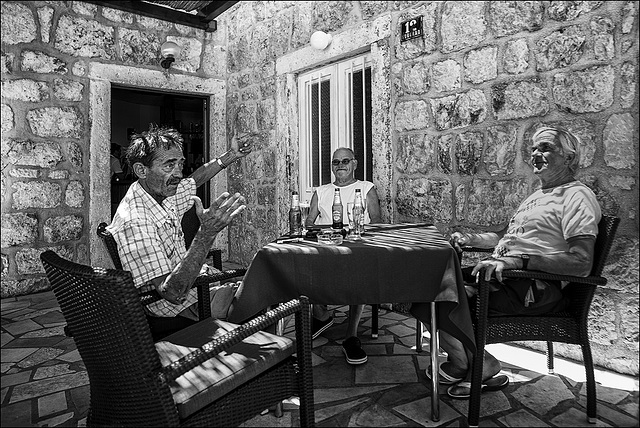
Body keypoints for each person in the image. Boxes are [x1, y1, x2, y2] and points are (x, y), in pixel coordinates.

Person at [412, 125, 601, 399]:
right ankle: (468, 363)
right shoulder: (538, 195)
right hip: (507, 277)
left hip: (536, 288)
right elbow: (505, 236)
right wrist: (470, 238)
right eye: (534, 148)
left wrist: (517, 263)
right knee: (423, 284)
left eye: (546, 148)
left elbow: (581, 262)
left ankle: (476, 364)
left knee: (443, 297)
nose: (536, 154)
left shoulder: (577, 197)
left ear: (569, 158)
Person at [107, 125, 252, 338]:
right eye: (169, 165)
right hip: (180, 305)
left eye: (179, 163)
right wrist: (206, 233)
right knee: (258, 305)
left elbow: (196, 179)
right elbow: (171, 293)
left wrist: (231, 155)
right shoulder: (136, 221)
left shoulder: (159, 191)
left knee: (256, 286)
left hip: (198, 284)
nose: (178, 174)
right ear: (141, 170)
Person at [306, 147, 382, 365]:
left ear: (355, 164)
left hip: (356, 250)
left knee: (359, 273)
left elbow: (376, 222)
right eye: (336, 162)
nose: (340, 165)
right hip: (325, 248)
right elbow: (309, 222)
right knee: (302, 265)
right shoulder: (321, 191)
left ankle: (351, 335)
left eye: (345, 161)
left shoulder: (365, 188)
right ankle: (321, 315)